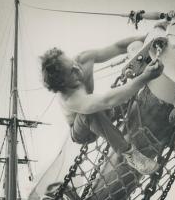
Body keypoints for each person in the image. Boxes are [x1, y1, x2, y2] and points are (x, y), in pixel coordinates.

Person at [40, 36, 164, 175]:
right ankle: (130, 154)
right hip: (83, 131)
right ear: (63, 84)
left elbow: (119, 47)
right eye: (71, 72)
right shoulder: (69, 98)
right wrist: (145, 77)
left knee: (130, 90)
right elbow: (107, 101)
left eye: (72, 63)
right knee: (89, 114)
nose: (77, 68)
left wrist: (148, 38)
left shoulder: (82, 59)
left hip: (102, 109)